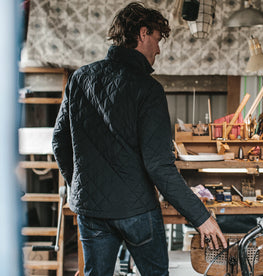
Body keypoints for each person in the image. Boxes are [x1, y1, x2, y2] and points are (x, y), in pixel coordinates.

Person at [52, 2, 227, 275]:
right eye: (157, 40)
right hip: (137, 211)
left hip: (91, 211)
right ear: (143, 33)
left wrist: (80, 186)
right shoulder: (148, 89)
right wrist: (201, 218)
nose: (158, 49)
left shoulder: (79, 78)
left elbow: (59, 143)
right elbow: (159, 165)